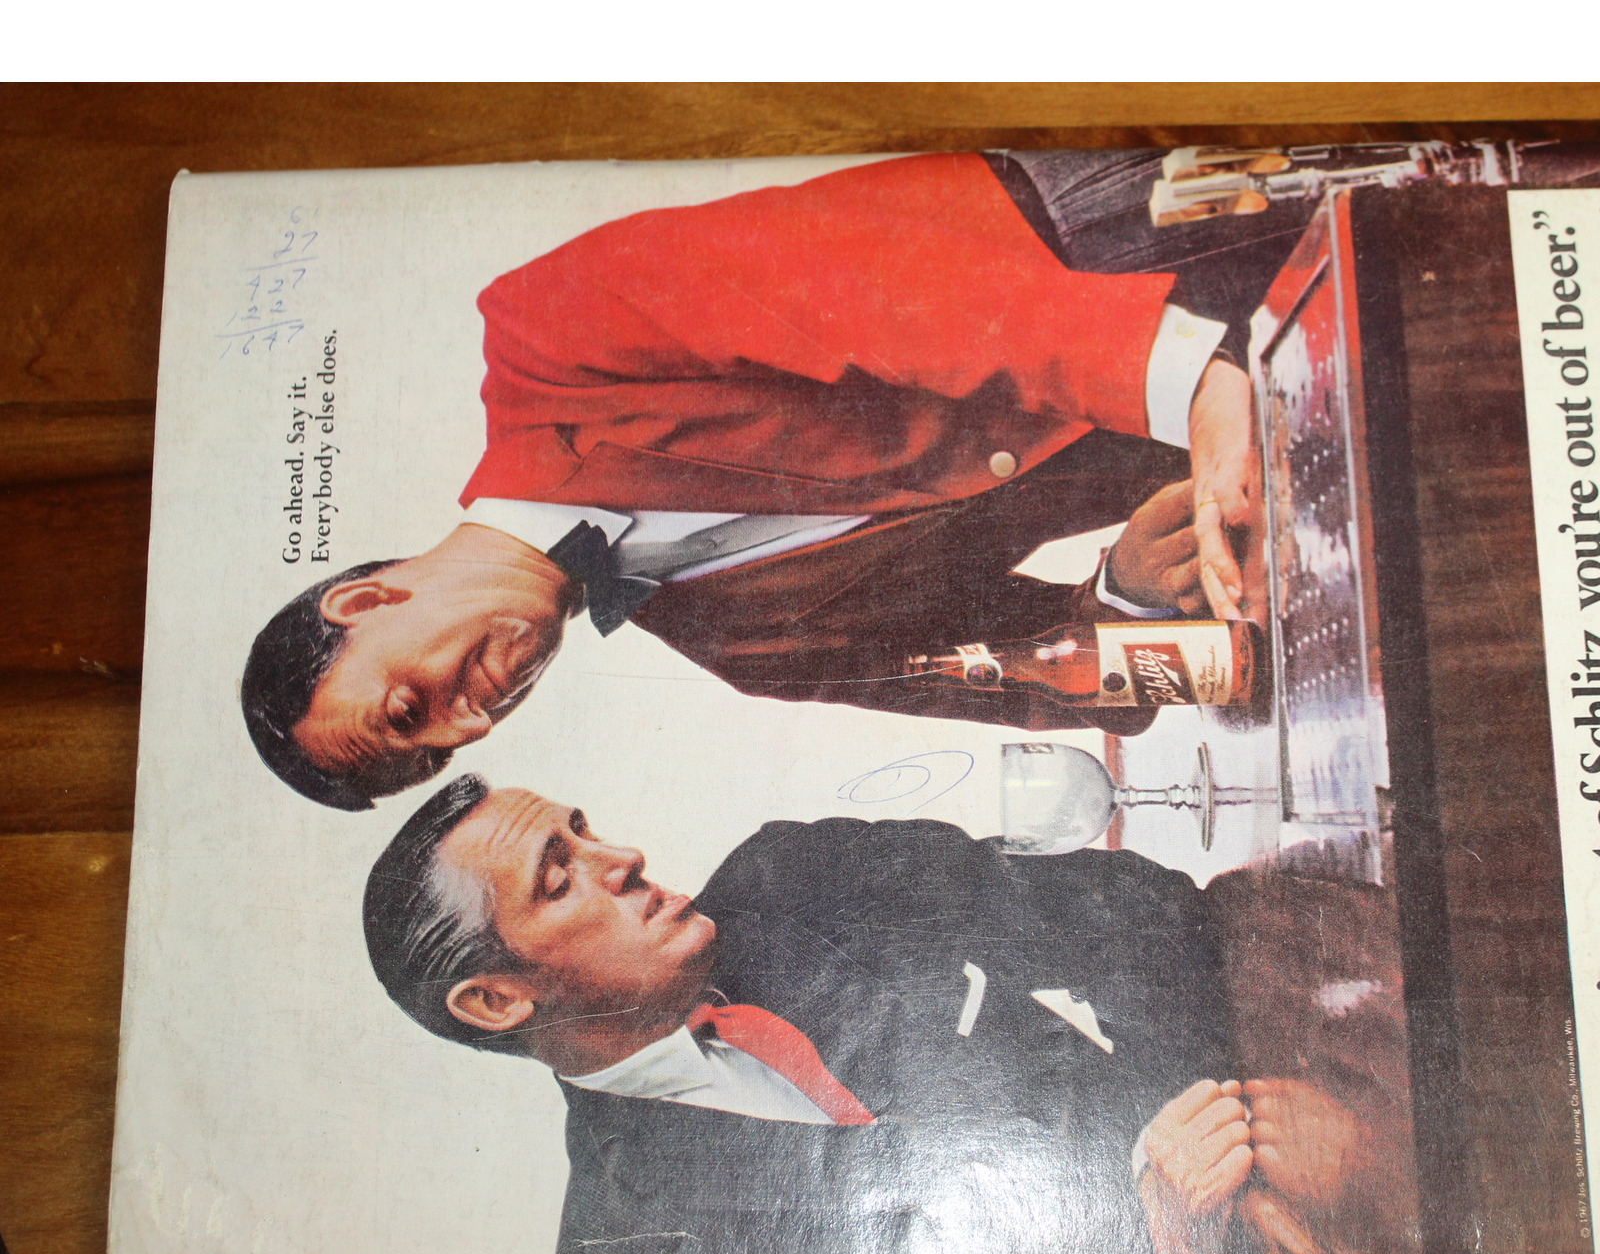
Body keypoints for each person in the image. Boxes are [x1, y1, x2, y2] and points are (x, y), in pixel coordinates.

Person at [247, 150, 1309, 809]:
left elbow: (872, 291)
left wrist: (1185, 383)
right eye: (436, 755)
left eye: (408, 709)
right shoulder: (738, 651)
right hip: (1231, 453)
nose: (473, 726)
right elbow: (1037, 680)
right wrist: (1128, 595)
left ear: (365, 601)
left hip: (1116, 243)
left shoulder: (541, 340)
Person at [362, 773, 1326, 1254]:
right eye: (559, 876)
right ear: (496, 1001)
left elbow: (1144, 913)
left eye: (583, 830)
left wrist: (1220, 1143)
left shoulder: (797, 877)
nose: (622, 856)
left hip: (1315, 1154)